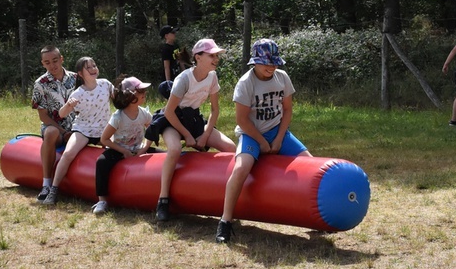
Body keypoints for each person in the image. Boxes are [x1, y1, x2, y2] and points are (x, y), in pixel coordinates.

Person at [216, 39, 312, 243]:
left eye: (274, 63)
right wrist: (261, 142)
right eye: (266, 63)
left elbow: (287, 110)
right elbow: (241, 119)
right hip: (251, 133)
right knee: (241, 169)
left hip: (277, 130)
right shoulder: (245, 83)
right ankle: (225, 221)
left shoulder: (282, 78)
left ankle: (315, 217)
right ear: (255, 62)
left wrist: (278, 139)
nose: (271, 67)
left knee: (311, 165)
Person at [152, 38, 236, 221]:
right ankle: (163, 199)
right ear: (198, 57)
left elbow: (215, 110)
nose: (216, 59)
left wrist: (205, 135)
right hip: (172, 120)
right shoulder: (184, 79)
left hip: (194, 119)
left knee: (231, 148)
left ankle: (230, 195)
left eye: (217, 56)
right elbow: (169, 112)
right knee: (174, 149)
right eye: (211, 55)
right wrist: (188, 136)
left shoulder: (212, 77)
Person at [42, 57, 114, 205]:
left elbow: (119, 99)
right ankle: (54, 189)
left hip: (103, 132)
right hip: (83, 130)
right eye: (89, 67)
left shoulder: (105, 84)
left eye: (94, 65)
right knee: (68, 154)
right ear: (80, 73)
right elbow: (61, 114)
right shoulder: (78, 93)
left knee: (117, 151)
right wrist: (69, 105)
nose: (93, 69)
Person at [92, 76, 154, 215]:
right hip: (118, 150)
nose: (144, 93)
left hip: (138, 148)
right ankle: (102, 200)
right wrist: (123, 151)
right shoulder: (118, 117)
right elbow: (104, 139)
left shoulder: (144, 113)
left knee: (162, 154)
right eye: (140, 91)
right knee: (101, 162)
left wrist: (144, 148)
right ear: (129, 96)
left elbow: (152, 130)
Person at [31, 45, 77, 202]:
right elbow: (43, 116)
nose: (52, 65)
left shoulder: (76, 78)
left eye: (55, 60)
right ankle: (46, 184)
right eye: (47, 62)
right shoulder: (40, 84)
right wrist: (64, 132)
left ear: (62, 59)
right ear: (43, 64)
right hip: (55, 130)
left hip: (77, 128)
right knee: (50, 132)